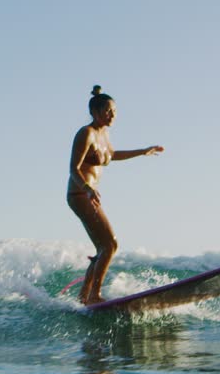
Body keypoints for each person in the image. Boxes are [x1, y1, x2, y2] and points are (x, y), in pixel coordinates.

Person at [67, 85, 163, 305]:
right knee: (110, 244)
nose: (113, 115)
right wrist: (88, 188)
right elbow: (73, 168)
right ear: (95, 112)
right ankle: (94, 296)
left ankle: (83, 296)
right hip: (80, 193)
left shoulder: (103, 135)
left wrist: (143, 151)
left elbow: (112, 154)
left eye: (114, 111)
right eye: (108, 111)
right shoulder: (86, 133)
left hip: (87, 195)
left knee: (102, 247)